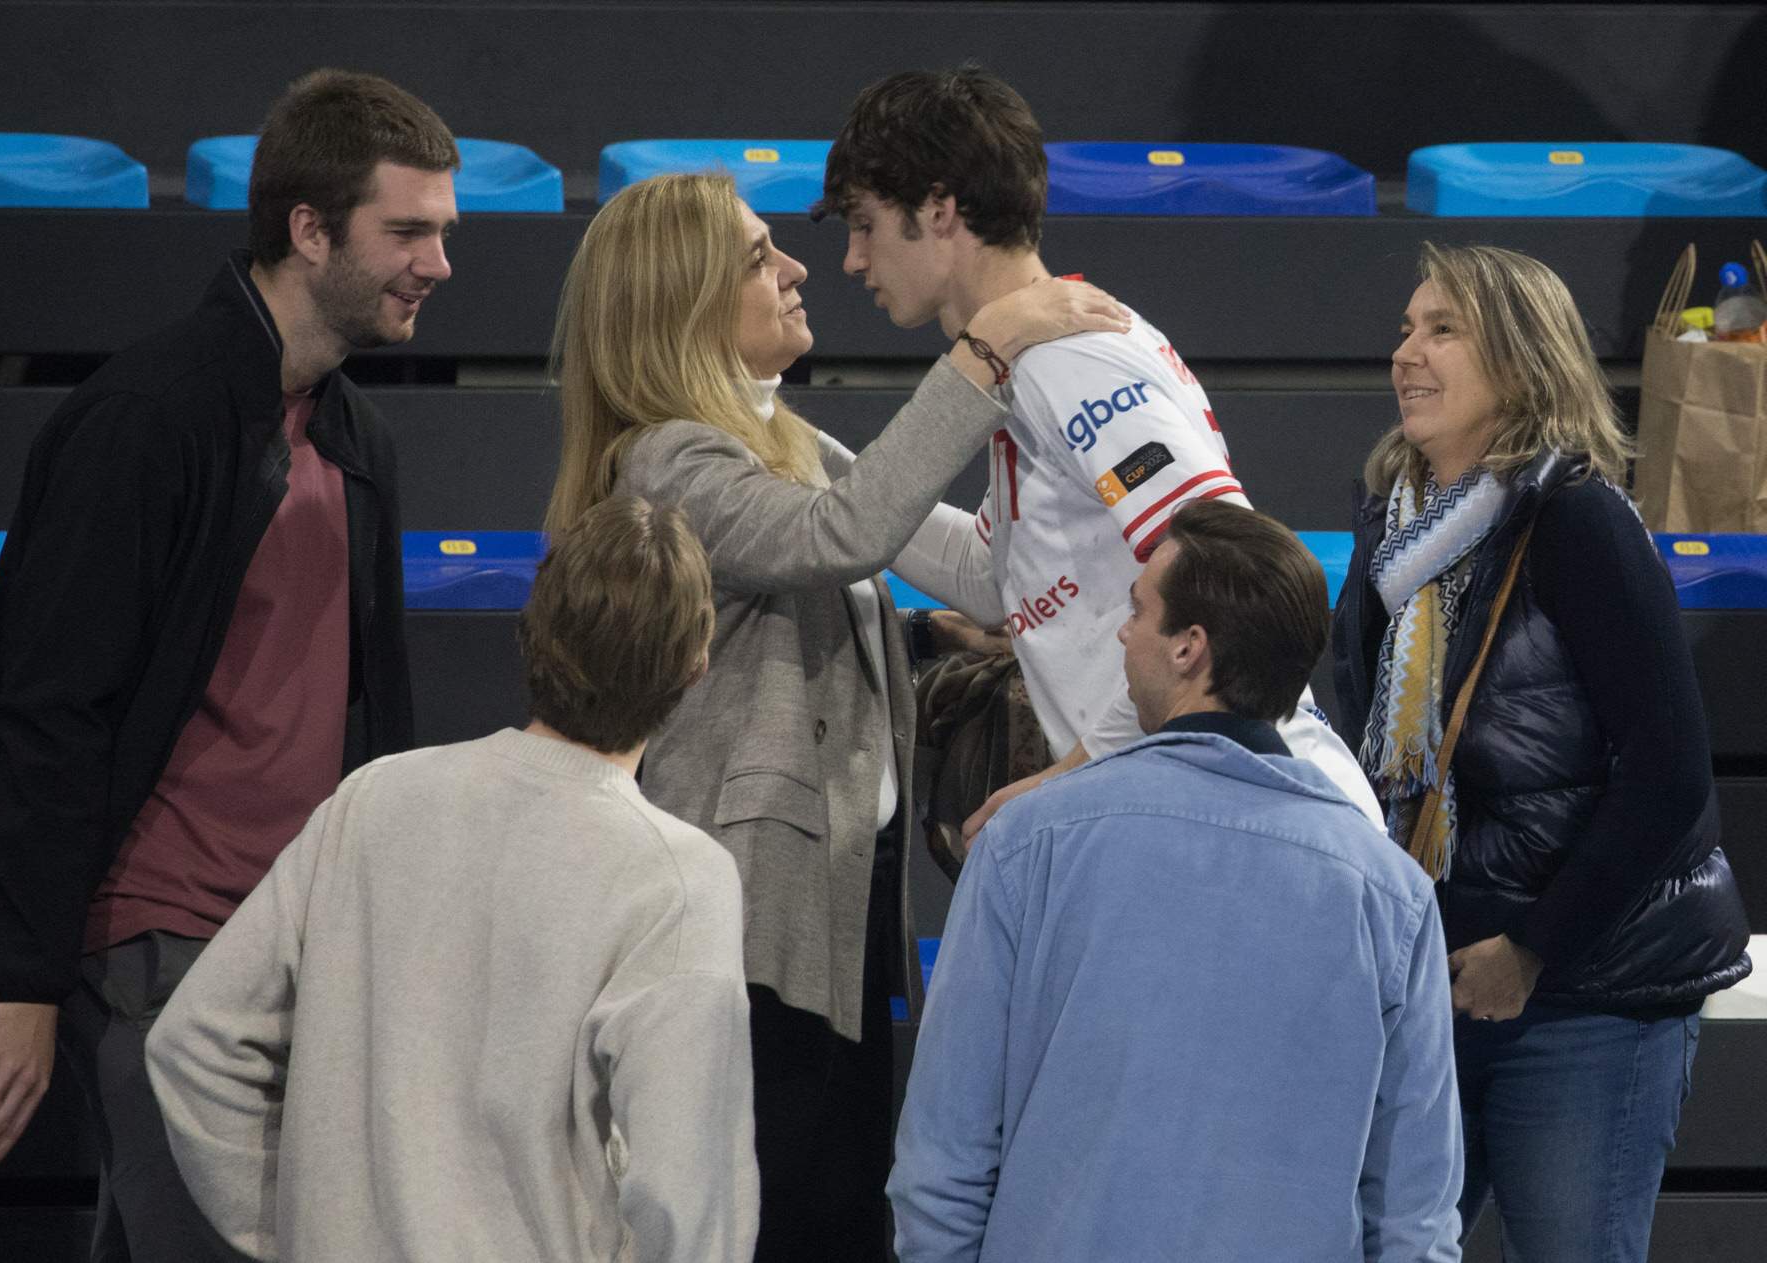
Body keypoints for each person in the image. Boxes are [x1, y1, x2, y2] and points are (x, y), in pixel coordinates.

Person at [0, 69, 453, 1260]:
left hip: (290, 934)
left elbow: (371, 724)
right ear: (310, 231)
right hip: (158, 944)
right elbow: (47, 712)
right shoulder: (148, 417)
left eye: (443, 232)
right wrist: (35, 980)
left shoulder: (360, 435)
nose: (439, 264)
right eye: (407, 231)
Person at [545, 171, 1129, 1261]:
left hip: (838, 896)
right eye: (761, 255)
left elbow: (980, 573)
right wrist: (986, 348)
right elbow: (841, 538)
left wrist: (1046, 462)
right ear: (681, 299)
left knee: (841, 1203)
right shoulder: (666, 457)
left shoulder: (787, 439)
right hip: (748, 914)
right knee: (784, 1212)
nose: (800, 268)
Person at [144, 496, 756, 1262]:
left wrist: (306, 1225)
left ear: (530, 632)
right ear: (697, 667)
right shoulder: (683, 879)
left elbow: (193, 1041)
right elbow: (686, 1194)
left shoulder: (374, 799)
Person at [813, 64, 1380, 835]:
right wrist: (809, 461)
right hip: (1212, 802)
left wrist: (1071, 777)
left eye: (864, 222)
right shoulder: (1038, 364)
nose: (852, 258)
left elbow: (1232, 576)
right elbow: (991, 577)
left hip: (1249, 813)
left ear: (940, 209)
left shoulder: (1068, 361)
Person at [890, 499, 1462, 1261]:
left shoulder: (1026, 847)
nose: (1123, 632)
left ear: (1190, 648)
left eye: (1138, 610)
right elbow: (1415, 1215)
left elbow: (943, 1158)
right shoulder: (1392, 895)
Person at [1330, 242, 1752, 1261]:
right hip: (1433, 986)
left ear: (1520, 365)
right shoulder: (1391, 528)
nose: (1407, 352)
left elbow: (1669, 774)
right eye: (1404, 327)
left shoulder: (1580, 524)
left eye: (1443, 330)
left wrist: (1533, 950)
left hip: (1583, 994)